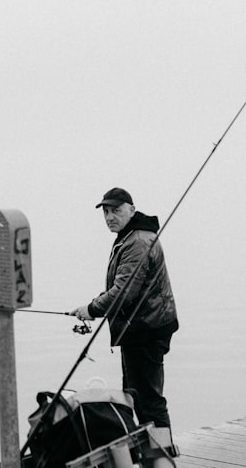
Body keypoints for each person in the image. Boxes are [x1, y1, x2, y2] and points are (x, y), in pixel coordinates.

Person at [71, 187, 178, 438]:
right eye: (106, 212)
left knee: (148, 401)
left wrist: (91, 309)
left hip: (146, 330)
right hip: (140, 328)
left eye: (116, 211)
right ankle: (151, 455)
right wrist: (95, 304)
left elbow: (123, 292)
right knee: (135, 395)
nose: (110, 217)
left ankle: (161, 458)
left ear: (131, 209)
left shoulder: (138, 241)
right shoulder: (129, 236)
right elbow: (123, 287)